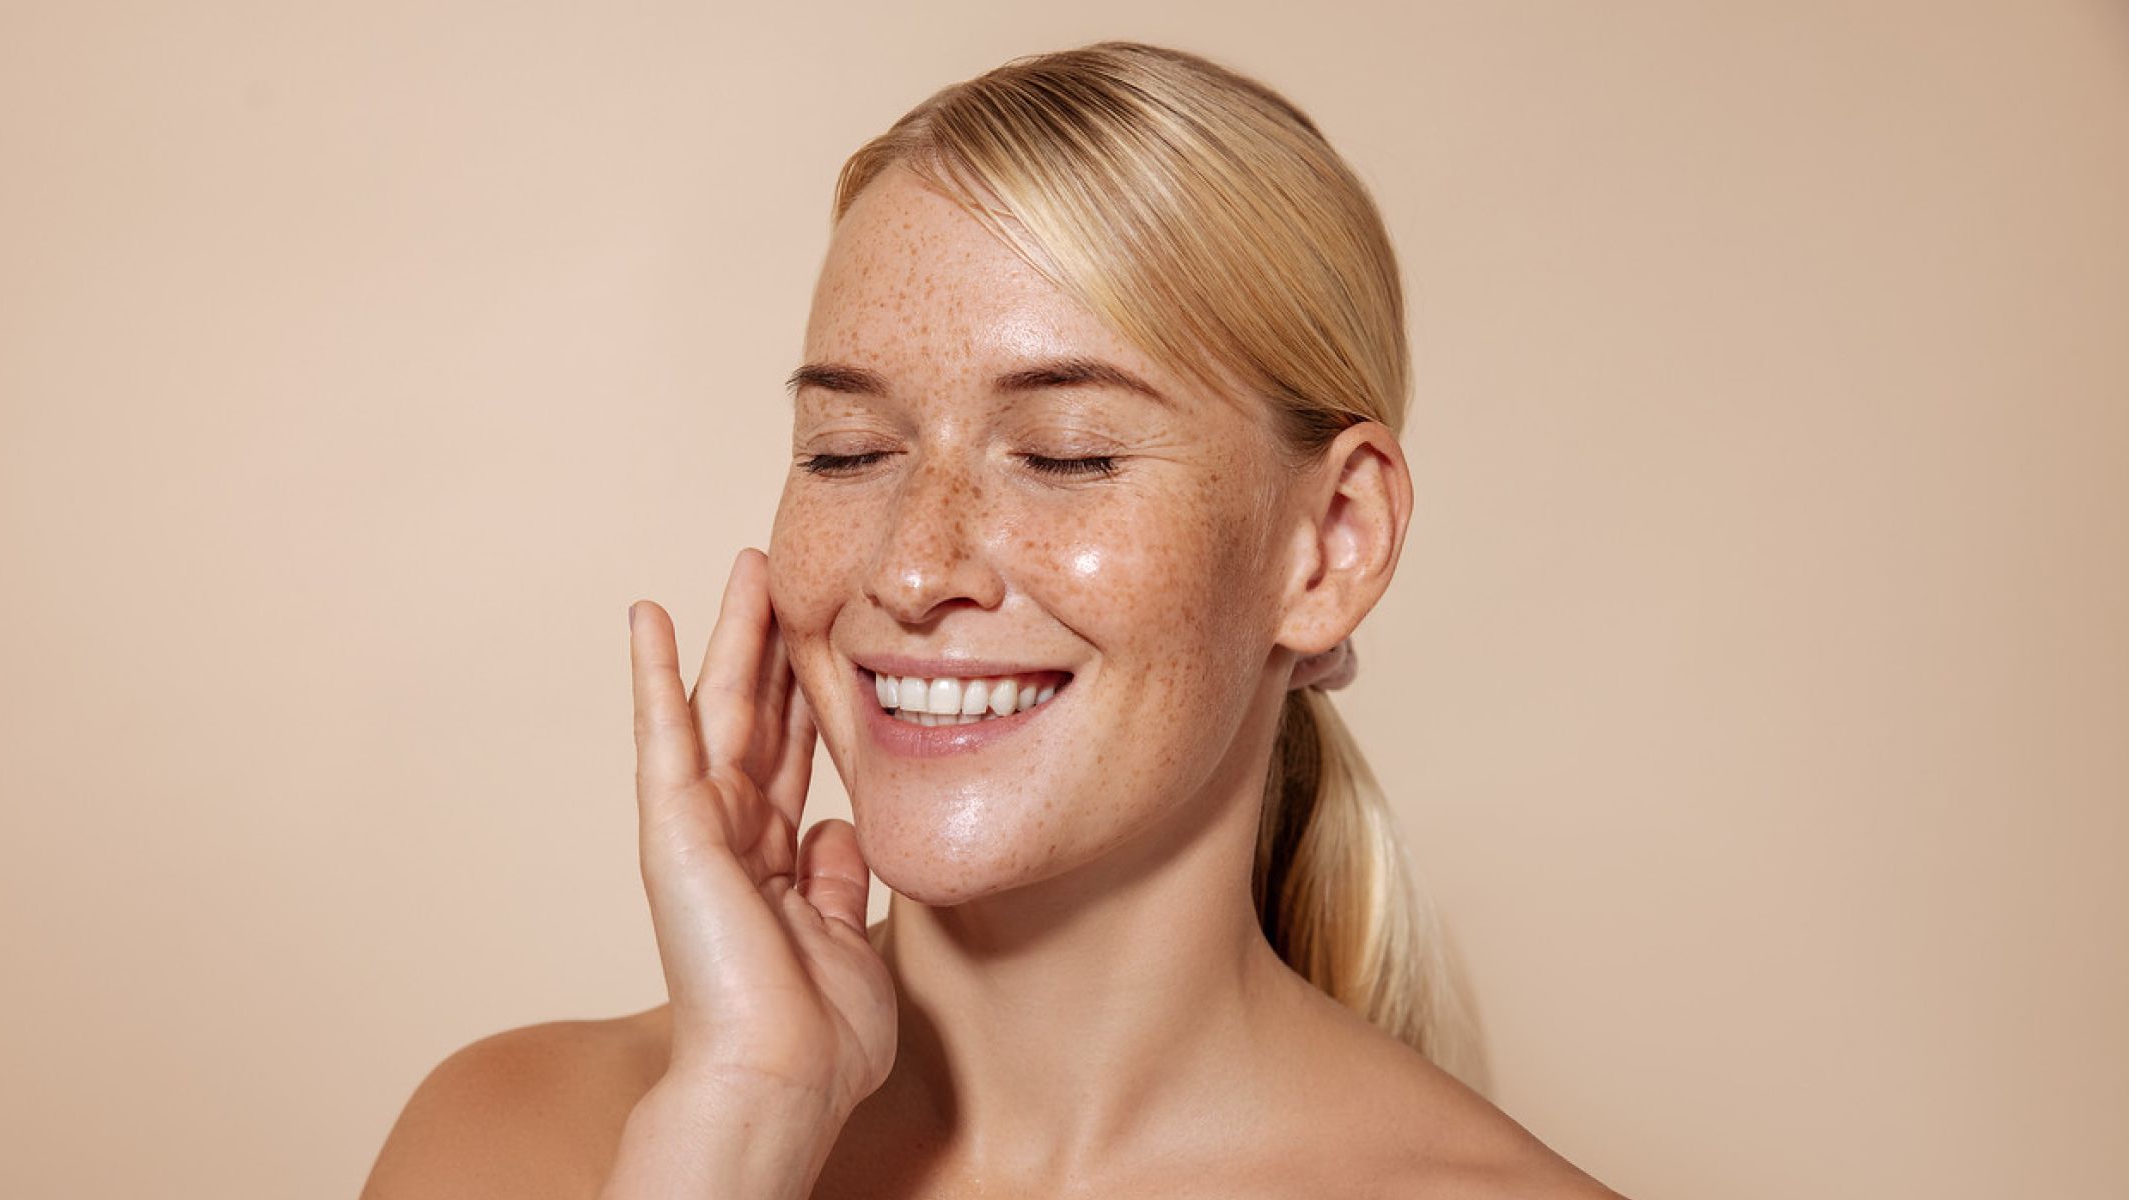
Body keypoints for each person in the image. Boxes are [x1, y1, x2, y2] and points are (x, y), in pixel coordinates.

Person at [361, 41, 1625, 1199]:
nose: (913, 570)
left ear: (1331, 543)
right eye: (849, 450)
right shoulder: (517, 1141)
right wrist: (738, 1127)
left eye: (1066, 454)